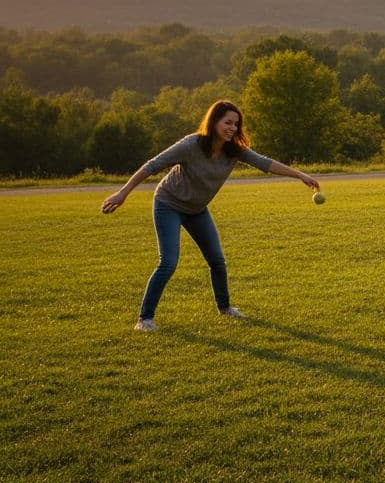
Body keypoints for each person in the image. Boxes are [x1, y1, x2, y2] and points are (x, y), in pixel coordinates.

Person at [100, 100, 320, 331]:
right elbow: (152, 165)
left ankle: (225, 308)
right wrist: (123, 193)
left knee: (217, 260)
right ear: (214, 121)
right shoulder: (191, 144)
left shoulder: (234, 150)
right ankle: (144, 319)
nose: (232, 128)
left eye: (236, 124)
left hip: (196, 210)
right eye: (227, 123)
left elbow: (266, 163)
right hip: (169, 204)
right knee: (168, 263)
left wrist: (300, 175)